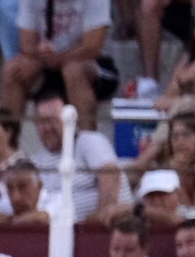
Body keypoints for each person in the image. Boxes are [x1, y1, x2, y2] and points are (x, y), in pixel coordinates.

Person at [3, 0, 115, 123]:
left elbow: (92, 47)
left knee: (73, 70)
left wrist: (57, 58)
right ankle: (9, 141)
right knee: (13, 69)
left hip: (94, 66)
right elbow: (26, 45)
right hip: (47, 64)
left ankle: (86, 142)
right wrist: (42, 55)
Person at [32, 92, 128, 223]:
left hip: (102, 231)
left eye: (53, 120)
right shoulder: (36, 161)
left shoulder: (89, 141)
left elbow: (111, 176)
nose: (47, 127)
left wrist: (97, 224)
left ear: (70, 120)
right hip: (58, 234)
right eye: (42, 121)